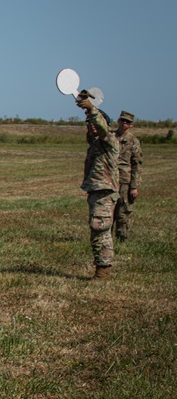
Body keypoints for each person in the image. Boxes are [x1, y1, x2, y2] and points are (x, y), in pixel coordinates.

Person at [77, 93, 119, 278]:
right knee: (99, 230)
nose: (91, 127)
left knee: (100, 230)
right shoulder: (95, 143)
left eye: (94, 123)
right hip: (97, 191)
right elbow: (93, 129)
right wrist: (87, 111)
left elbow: (101, 128)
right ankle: (102, 269)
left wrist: (91, 109)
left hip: (104, 191)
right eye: (88, 125)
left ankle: (103, 270)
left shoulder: (108, 140)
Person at [113, 111, 142, 243]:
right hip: (110, 179)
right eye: (123, 120)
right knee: (108, 211)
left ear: (132, 125)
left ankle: (122, 240)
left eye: (128, 122)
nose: (124, 123)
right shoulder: (111, 137)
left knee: (123, 212)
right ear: (118, 121)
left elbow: (136, 165)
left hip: (125, 182)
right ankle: (106, 239)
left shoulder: (133, 141)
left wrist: (134, 187)